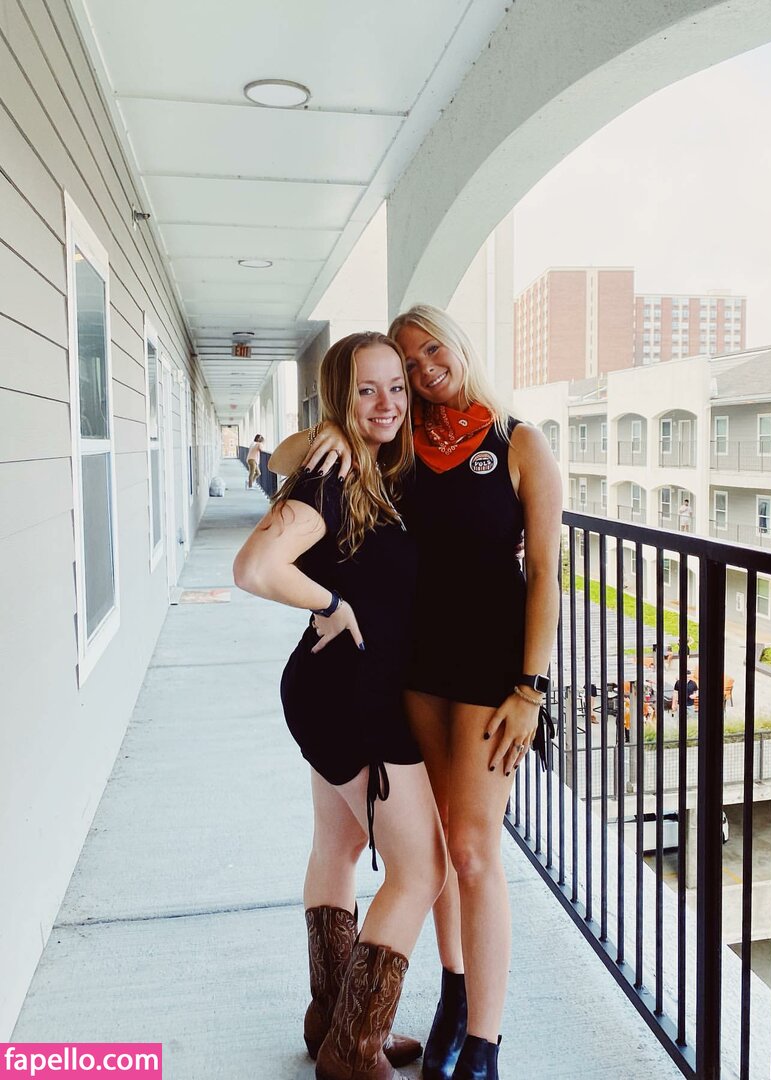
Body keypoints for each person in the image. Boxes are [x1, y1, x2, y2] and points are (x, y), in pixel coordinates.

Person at [270, 305, 561, 1080]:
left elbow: (546, 574)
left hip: (490, 678)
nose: (425, 370)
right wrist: (328, 434)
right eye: (407, 363)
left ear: (458, 345)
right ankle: (448, 998)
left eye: (433, 350)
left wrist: (531, 689)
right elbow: (288, 457)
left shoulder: (519, 442)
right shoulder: (400, 447)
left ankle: (483, 1045)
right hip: (409, 672)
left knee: (470, 852)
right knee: (427, 847)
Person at [234, 332, 447, 1080]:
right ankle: (356, 1047)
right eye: (366, 389)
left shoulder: (369, 466)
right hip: (352, 697)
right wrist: (332, 604)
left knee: (339, 849)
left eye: (396, 387)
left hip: (336, 689)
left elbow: (287, 460)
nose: (387, 403)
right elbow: (254, 566)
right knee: (422, 869)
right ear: (339, 398)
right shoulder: (334, 473)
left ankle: (331, 1018)